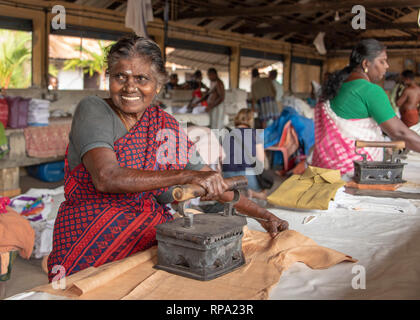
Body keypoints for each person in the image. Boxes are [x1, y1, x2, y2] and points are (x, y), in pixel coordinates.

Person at [47, 35, 288, 281]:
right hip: (91, 243)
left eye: (142, 78)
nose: (130, 87)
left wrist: (264, 215)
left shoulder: (165, 126)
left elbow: (209, 180)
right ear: (110, 78)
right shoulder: (93, 110)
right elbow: (106, 177)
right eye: (121, 77)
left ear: (158, 85)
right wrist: (186, 175)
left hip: (148, 242)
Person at [312, 38, 420, 175]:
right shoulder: (370, 91)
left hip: (325, 167)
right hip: (353, 171)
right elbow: (400, 133)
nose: (387, 66)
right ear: (366, 64)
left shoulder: (336, 87)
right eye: (382, 61)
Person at [222, 109, 268, 200]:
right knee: (264, 190)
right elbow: (261, 158)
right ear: (251, 120)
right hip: (248, 174)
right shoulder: (254, 134)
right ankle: (256, 194)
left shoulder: (227, 135)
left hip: (228, 174)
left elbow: (221, 158)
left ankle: (237, 195)